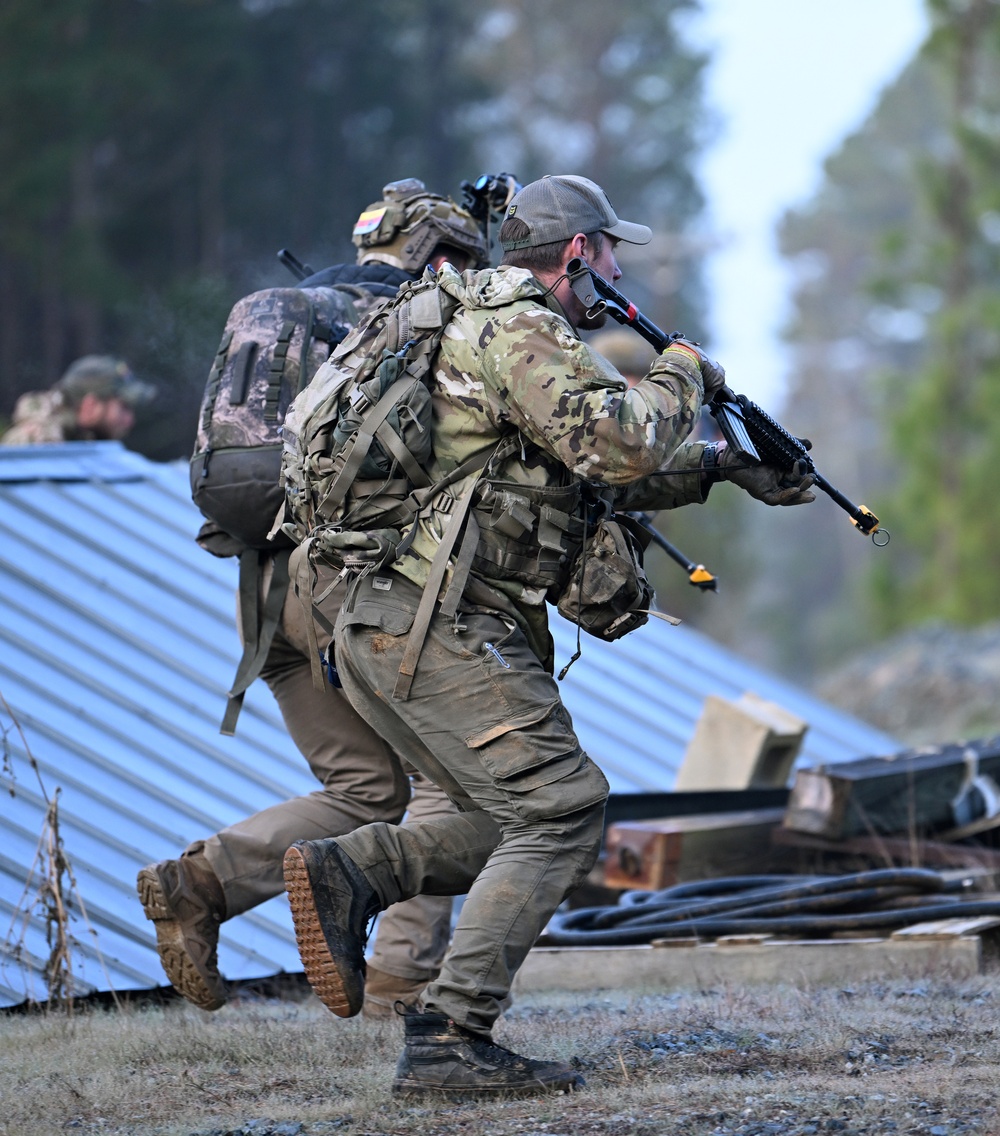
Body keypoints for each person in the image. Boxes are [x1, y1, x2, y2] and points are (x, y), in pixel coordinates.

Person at [278, 174, 816, 1097]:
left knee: (500, 823)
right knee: (564, 808)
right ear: (581, 256)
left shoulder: (469, 326)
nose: (618, 269)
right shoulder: (514, 323)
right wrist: (685, 369)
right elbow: (620, 443)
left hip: (381, 616)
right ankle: (450, 1037)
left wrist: (726, 467)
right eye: (613, 252)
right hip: (430, 619)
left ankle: (353, 870)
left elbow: (570, 477)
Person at [136, 179, 491, 1019]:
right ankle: (403, 989)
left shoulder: (288, 317)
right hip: (347, 588)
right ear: (437, 258)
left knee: (365, 794)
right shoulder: (416, 326)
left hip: (263, 597)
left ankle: (200, 882)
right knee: (451, 784)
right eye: (466, 266)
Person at [1, 355, 155, 445]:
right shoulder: (36, 443)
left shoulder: (82, 439)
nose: (129, 421)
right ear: (90, 406)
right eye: (123, 407)